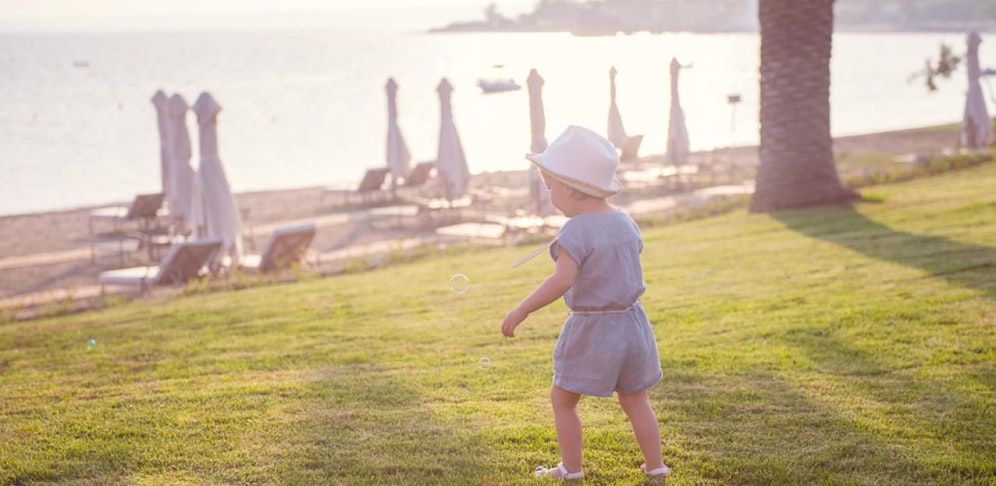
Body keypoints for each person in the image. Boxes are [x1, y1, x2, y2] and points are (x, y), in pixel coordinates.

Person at [501, 125, 670, 481]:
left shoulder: (575, 230)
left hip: (594, 329)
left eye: (550, 189)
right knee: (636, 400)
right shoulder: (626, 222)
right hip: (633, 325)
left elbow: (563, 280)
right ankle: (656, 468)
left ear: (568, 187)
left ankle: (571, 470)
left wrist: (523, 309)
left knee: (562, 400)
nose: (551, 197)